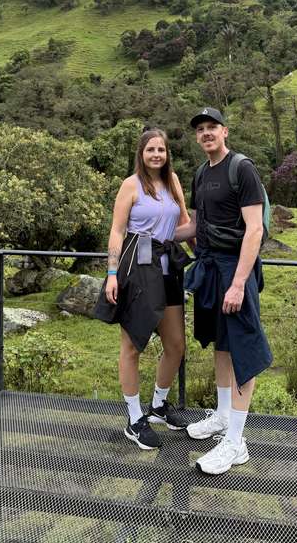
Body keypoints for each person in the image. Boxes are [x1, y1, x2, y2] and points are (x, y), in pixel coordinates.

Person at [175, 107, 272, 475]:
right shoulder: (202, 173)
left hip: (236, 270)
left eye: (211, 127)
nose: (205, 133)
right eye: (200, 129)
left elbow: (254, 231)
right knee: (221, 342)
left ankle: (235, 442)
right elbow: (196, 225)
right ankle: (221, 416)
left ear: (225, 131)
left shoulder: (241, 169)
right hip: (211, 266)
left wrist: (237, 284)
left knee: (243, 349)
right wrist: (155, 233)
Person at [95, 127, 192, 450]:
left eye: (161, 150)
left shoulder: (173, 182)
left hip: (167, 269)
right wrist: (112, 274)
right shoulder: (131, 185)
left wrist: (211, 231)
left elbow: (182, 225)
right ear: (141, 153)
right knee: (133, 345)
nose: (156, 155)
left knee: (176, 344)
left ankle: (159, 406)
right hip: (138, 269)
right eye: (150, 149)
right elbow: (117, 231)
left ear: (167, 154)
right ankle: (134, 418)